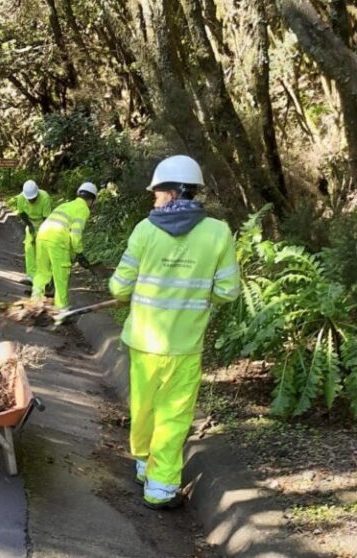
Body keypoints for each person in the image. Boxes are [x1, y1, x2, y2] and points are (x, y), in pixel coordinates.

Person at [109, 155, 240, 509]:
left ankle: (143, 465)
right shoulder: (218, 233)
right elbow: (228, 291)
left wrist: (134, 289)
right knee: (174, 415)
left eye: (157, 192)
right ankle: (161, 488)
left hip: (143, 341)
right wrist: (199, 292)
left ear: (171, 192)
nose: (154, 199)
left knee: (144, 406)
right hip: (184, 345)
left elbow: (119, 287)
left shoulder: (144, 230)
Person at [32, 182, 97, 310]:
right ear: (92, 199)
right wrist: (79, 253)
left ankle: (35, 304)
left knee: (42, 272)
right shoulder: (83, 208)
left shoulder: (65, 205)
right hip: (57, 239)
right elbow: (75, 234)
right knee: (61, 276)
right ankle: (61, 310)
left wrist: (73, 255)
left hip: (42, 235)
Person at [16, 180, 52, 285]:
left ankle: (45, 278)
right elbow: (22, 213)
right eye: (30, 199)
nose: (31, 201)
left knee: (42, 250)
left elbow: (46, 218)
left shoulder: (45, 197)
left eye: (33, 199)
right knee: (29, 249)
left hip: (44, 224)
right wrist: (30, 225)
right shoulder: (21, 198)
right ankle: (31, 276)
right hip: (30, 223)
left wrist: (41, 233)